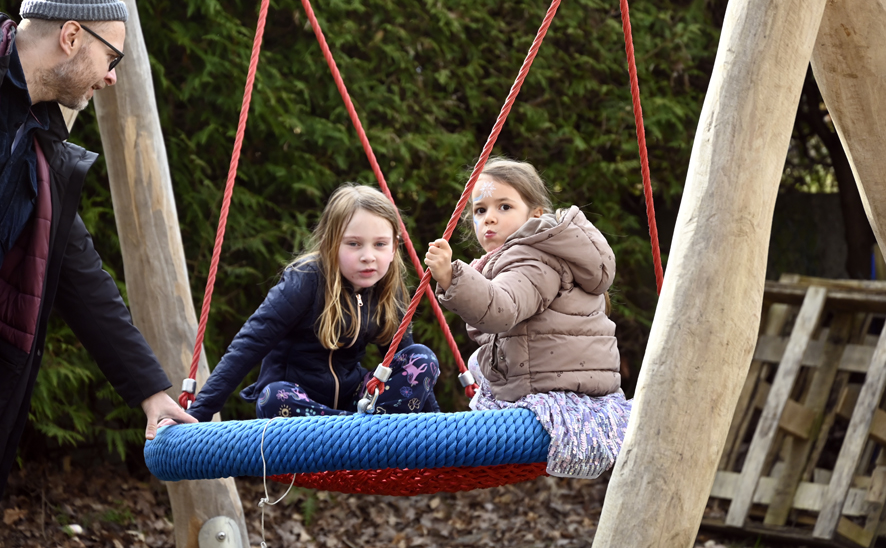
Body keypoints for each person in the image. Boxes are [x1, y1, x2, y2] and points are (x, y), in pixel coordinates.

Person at [0, 0, 195, 498]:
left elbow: (82, 279)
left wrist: (152, 393)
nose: (111, 78)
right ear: (71, 36)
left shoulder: (43, 151)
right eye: (112, 58)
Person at [424, 157, 630, 479]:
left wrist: (453, 278)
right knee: (479, 362)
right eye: (480, 210)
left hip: (554, 391)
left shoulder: (532, 259)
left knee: (479, 369)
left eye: (504, 207)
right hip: (564, 377)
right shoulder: (524, 256)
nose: (490, 218)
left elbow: (501, 309)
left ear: (535, 215)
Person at [186, 184, 440, 422]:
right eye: (354, 244)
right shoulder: (306, 280)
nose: (368, 256)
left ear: (394, 247)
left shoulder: (387, 289)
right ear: (331, 243)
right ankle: (358, 430)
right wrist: (199, 412)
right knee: (273, 397)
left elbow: (404, 361)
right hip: (299, 403)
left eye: (380, 244)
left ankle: (360, 430)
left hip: (353, 400)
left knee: (422, 358)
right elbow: (249, 344)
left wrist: (441, 427)